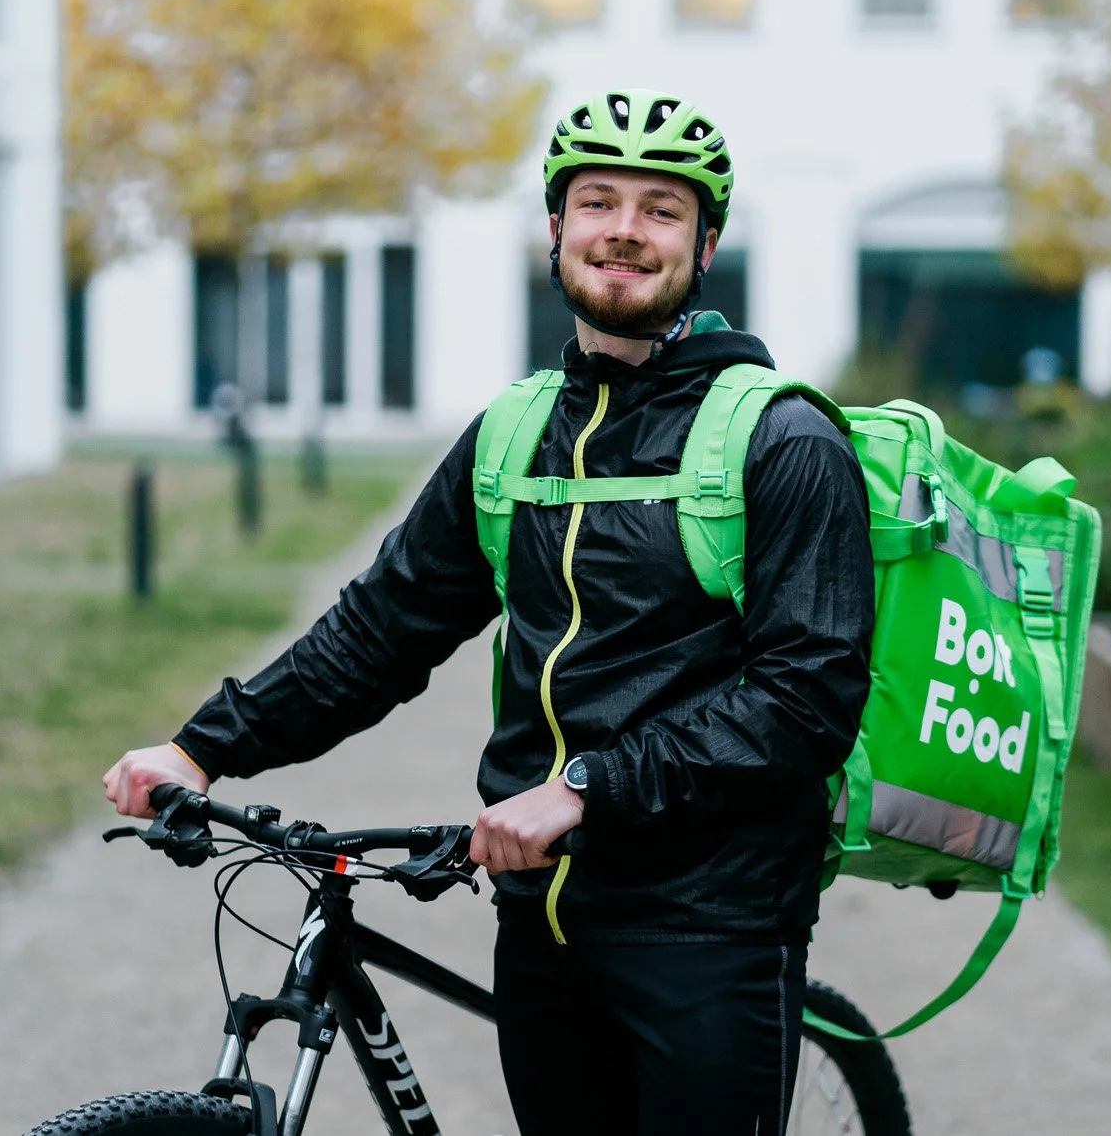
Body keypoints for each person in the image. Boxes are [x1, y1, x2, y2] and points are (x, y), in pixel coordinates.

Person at [104, 89, 873, 1136]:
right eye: (597, 201)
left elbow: (805, 701)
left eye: (660, 210)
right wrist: (203, 749)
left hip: (712, 926)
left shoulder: (780, 441)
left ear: (704, 244)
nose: (623, 231)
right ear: (554, 229)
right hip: (540, 923)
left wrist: (585, 787)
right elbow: (383, 630)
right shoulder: (512, 435)